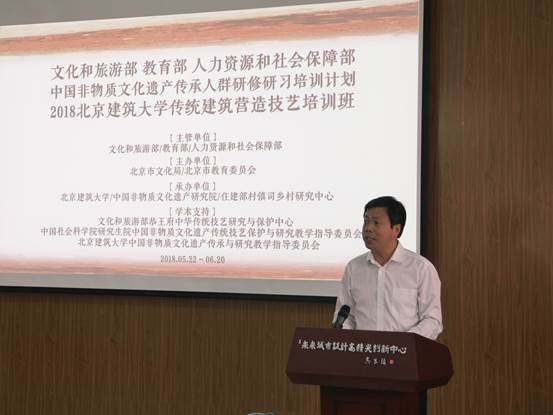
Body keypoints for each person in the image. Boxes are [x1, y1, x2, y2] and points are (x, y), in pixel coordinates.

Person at [333, 196, 442, 340]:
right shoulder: (354, 268)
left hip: (405, 351)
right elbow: (345, 317)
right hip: (362, 351)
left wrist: (403, 343)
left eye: (376, 222)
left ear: (396, 229)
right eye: (366, 221)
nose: (368, 228)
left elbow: (432, 320)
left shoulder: (421, 269)